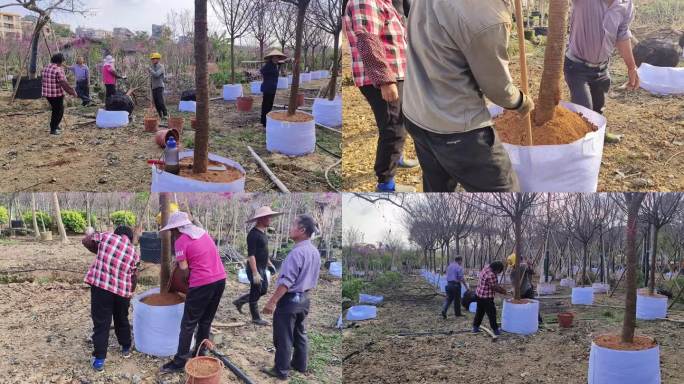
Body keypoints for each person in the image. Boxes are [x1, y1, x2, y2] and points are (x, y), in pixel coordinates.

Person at [402, 0, 533, 192]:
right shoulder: (487, 15)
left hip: (416, 113)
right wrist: (521, 102)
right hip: (458, 130)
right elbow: (498, 89)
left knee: (439, 192)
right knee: (504, 195)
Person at [343, 0, 419, 193]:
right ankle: (386, 184)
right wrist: (385, 80)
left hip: (395, 74)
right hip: (381, 79)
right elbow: (368, 40)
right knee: (393, 128)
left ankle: (397, 157)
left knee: (398, 122)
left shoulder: (384, 2)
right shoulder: (366, 1)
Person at [159, 211, 227, 373]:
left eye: (172, 231)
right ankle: (200, 352)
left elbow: (184, 270)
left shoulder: (181, 241)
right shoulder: (203, 233)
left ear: (176, 229)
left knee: (188, 324)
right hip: (220, 280)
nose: (172, 234)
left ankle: (180, 361)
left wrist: (186, 286)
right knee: (205, 321)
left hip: (202, 283)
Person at [564, 0, 638, 144]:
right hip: (577, 67)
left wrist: (631, 67)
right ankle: (580, 147)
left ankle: (599, 134)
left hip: (602, 68)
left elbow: (622, 35)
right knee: (584, 111)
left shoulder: (625, 4)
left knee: (599, 107)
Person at [261, 215, 321, 381]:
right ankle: (300, 364)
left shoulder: (297, 253)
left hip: (290, 301)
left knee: (284, 336)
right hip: (304, 299)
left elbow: (286, 282)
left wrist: (272, 302)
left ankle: (281, 370)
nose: (290, 227)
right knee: (299, 332)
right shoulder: (314, 251)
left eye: (293, 225)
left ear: (302, 230)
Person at [82, 225, 139, 372]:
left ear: (117, 233)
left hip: (102, 288)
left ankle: (99, 360)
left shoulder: (107, 237)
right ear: (130, 238)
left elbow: (87, 240)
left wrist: (98, 250)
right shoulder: (134, 252)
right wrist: (129, 292)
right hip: (122, 292)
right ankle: (126, 347)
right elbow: (134, 277)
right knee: (122, 318)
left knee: (102, 323)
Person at [233, 206, 281, 325]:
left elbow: (263, 251)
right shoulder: (253, 235)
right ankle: (255, 318)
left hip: (262, 267)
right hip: (255, 268)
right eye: (268, 217)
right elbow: (251, 255)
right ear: (261, 219)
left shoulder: (263, 233)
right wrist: (255, 273)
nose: (270, 219)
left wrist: (269, 264)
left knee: (263, 290)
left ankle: (240, 301)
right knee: (256, 291)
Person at [41, 53, 77, 135]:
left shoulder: (46, 67)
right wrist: (72, 92)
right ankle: (53, 129)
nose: (62, 63)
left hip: (47, 93)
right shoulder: (58, 69)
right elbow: (63, 83)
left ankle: (55, 125)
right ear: (59, 61)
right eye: (62, 62)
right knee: (58, 111)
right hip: (56, 94)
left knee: (56, 109)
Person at [473, 261, 507, 335]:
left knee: (479, 312)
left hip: (479, 294)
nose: (498, 273)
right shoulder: (491, 274)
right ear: (497, 269)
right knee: (492, 313)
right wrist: (504, 291)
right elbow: (494, 287)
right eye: (499, 271)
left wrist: (501, 289)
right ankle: (496, 330)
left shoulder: (486, 267)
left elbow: (493, 285)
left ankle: (475, 328)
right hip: (486, 298)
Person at [260, 49, 288, 126]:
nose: (276, 59)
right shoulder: (268, 65)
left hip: (272, 88)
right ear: (271, 58)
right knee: (266, 105)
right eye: (274, 58)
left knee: (269, 105)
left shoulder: (275, 65)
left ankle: (266, 120)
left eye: (277, 58)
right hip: (267, 87)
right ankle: (264, 122)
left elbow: (281, 63)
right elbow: (261, 71)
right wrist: (268, 76)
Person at [510, 256, 542, 324]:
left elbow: (531, 272)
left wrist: (529, 266)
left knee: (528, 306)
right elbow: (532, 272)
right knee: (530, 306)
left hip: (523, 291)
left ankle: (536, 320)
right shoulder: (518, 269)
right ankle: (535, 321)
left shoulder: (517, 269)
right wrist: (529, 265)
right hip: (523, 291)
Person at [149, 52, 168, 120]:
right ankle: (160, 115)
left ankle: (165, 114)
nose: (153, 60)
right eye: (152, 59)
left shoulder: (161, 67)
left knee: (160, 101)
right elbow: (152, 78)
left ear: (158, 59)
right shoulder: (152, 67)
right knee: (156, 102)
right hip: (154, 87)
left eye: (154, 59)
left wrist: (150, 70)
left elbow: (156, 75)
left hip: (160, 86)